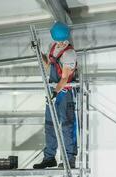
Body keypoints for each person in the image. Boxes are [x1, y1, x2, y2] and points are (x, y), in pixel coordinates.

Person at [33, 21, 78, 169]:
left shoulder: (69, 54)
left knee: (66, 126)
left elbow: (65, 78)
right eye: (56, 41)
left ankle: (69, 159)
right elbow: (48, 65)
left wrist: (54, 92)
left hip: (64, 92)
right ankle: (49, 157)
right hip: (53, 90)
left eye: (60, 41)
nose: (58, 43)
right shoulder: (53, 48)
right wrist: (39, 53)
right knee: (50, 125)